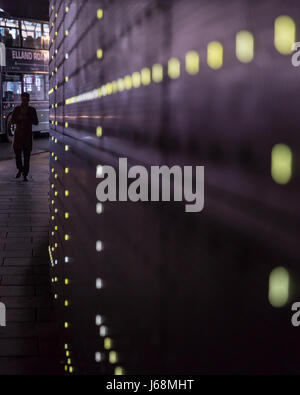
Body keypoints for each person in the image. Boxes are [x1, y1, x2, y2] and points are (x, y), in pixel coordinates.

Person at [11, 92, 39, 181]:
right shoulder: (16, 109)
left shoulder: (32, 110)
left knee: (27, 156)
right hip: (18, 136)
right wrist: (18, 119)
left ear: (28, 100)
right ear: (21, 99)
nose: (24, 101)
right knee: (17, 155)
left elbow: (36, 122)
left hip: (27, 136)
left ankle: (25, 174)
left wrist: (28, 118)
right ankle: (20, 169)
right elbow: (12, 121)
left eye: (26, 100)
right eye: (23, 100)